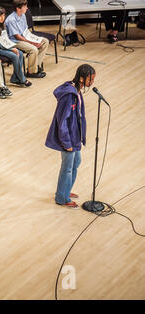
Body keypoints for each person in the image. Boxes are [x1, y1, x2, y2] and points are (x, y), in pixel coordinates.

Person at [45, 64, 95, 209]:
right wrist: (66, 142)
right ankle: (62, 197)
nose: (92, 82)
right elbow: (62, 122)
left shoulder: (76, 91)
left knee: (76, 162)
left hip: (75, 136)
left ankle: (65, 190)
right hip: (68, 138)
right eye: (90, 79)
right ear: (81, 78)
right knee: (67, 167)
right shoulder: (69, 95)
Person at [0, 6, 31, 87]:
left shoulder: (2, 25)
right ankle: (22, 79)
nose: (2, 18)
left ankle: (15, 78)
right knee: (14, 55)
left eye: (3, 15)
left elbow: (4, 40)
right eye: (0, 16)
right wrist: (11, 49)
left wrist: (12, 47)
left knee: (20, 53)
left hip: (0, 46)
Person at [4, 0, 48, 78]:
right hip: (15, 41)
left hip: (24, 37)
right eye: (25, 7)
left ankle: (36, 66)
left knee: (45, 41)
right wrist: (32, 43)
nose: (27, 8)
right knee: (33, 49)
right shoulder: (11, 20)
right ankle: (31, 72)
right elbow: (17, 37)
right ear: (18, 8)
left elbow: (26, 31)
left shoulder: (23, 15)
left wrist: (34, 39)